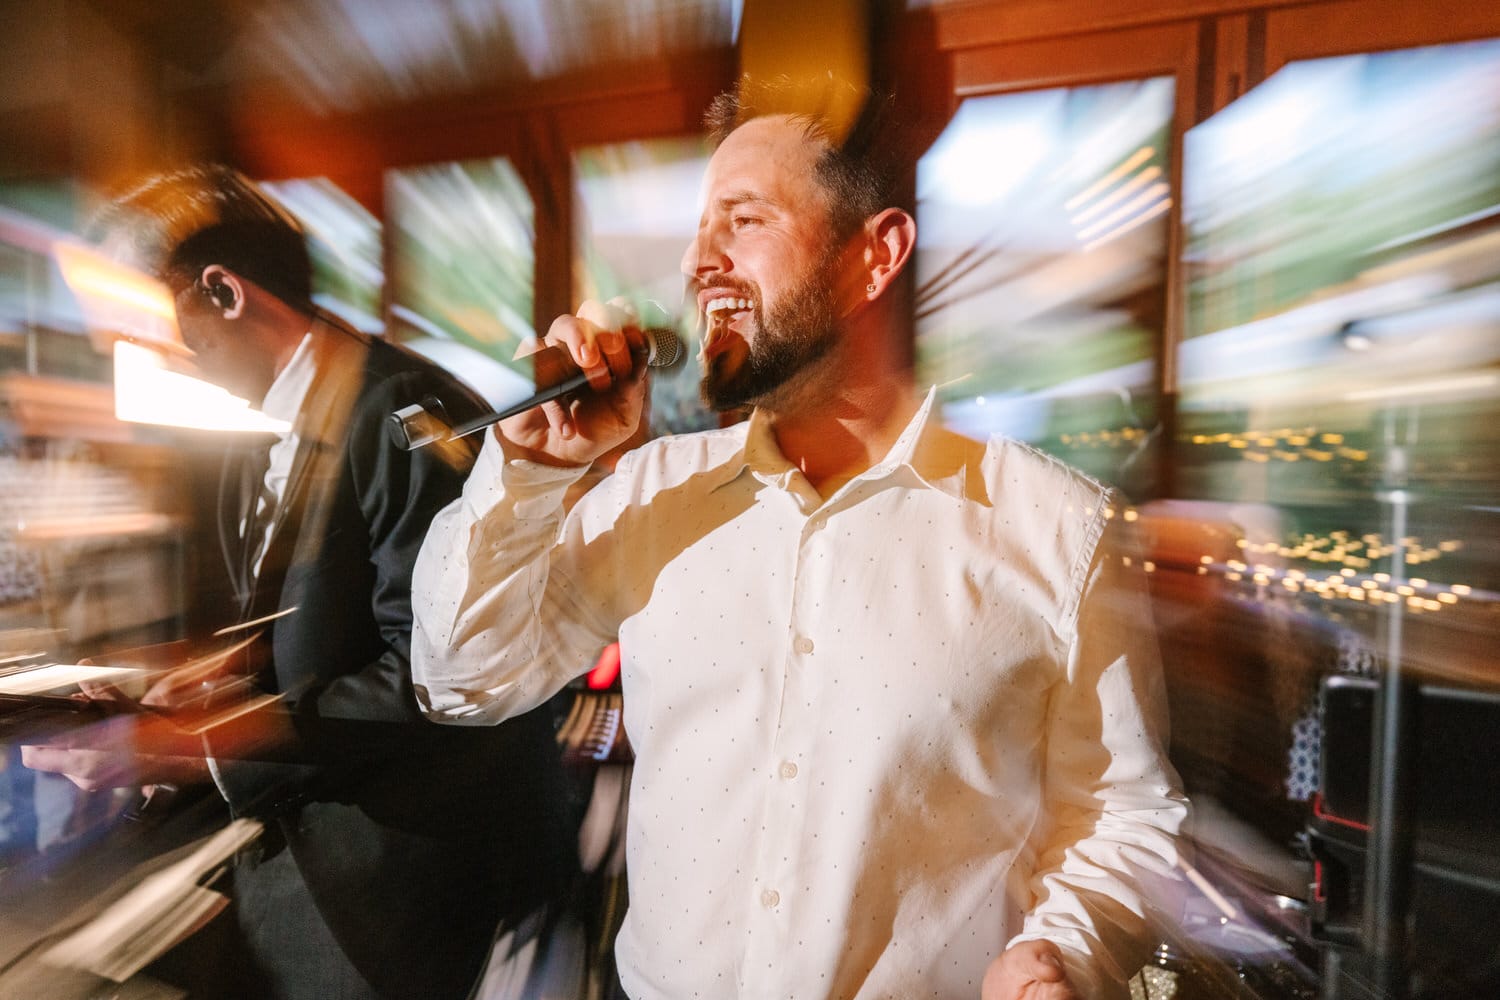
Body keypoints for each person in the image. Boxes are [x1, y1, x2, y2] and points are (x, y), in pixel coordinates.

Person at [410, 86, 1188, 1000]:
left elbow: (1125, 814)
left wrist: (1065, 951)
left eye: (744, 221)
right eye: (700, 232)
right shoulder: (656, 492)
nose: (702, 262)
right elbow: (460, 680)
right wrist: (532, 472)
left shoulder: (1059, 530)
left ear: (875, 255)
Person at [22, 166, 576, 1000]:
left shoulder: (404, 414)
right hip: (299, 864)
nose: (130, 364)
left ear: (223, 293)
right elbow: (307, 625)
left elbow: (443, 674)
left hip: (393, 888)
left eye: (137, 333)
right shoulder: (258, 420)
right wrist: (185, 686)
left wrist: (201, 743)